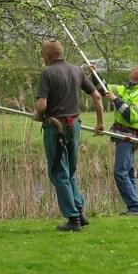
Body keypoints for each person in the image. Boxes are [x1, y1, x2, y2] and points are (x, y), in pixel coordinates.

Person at [32, 39, 104, 232]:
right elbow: (97, 96)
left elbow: (42, 105)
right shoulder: (76, 70)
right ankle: (80, 212)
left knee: (58, 173)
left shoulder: (48, 73)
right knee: (71, 171)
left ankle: (73, 219)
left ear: (48, 55)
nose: (42, 56)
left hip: (56, 128)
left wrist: (38, 115)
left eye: (42, 53)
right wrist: (100, 123)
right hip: (75, 126)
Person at [101, 64, 138, 215]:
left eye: (137, 68)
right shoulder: (126, 88)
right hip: (122, 135)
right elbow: (103, 87)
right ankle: (136, 206)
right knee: (129, 173)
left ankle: (135, 207)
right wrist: (93, 72)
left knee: (120, 172)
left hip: (129, 136)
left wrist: (116, 100)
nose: (133, 69)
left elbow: (131, 116)